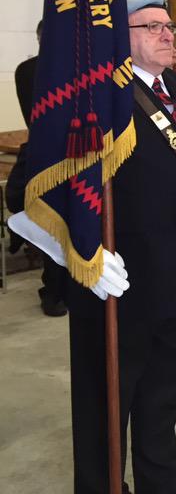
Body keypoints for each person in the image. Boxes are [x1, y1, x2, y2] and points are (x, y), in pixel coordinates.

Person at [10, 0, 176, 494]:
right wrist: (77, 255)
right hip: (116, 283)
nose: (168, 34)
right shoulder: (90, 98)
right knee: (105, 399)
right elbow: (25, 195)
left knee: (163, 389)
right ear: (118, 38)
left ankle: (161, 478)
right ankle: (103, 486)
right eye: (151, 27)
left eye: (168, 25)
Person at [11, 19, 66, 316]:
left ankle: (58, 289)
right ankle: (55, 291)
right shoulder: (35, 70)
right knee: (55, 226)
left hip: (53, 156)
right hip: (53, 159)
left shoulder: (29, 69)